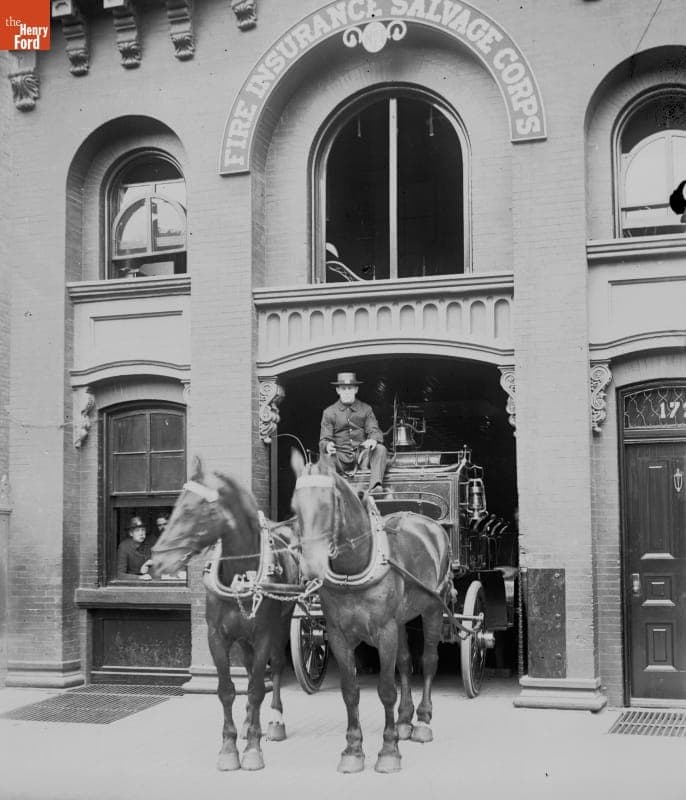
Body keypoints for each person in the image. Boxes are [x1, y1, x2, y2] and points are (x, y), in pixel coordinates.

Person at [319, 371, 387, 494]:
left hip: (361, 456)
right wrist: (328, 445)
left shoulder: (366, 409)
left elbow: (374, 430)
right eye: (343, 389)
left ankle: (375, 487)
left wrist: (373, 440)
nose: (347, 392)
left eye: (350, 388)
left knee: (380, 449)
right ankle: (331, 494)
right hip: (339, 456)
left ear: (356, 389)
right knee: (325, 460)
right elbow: (324, 439)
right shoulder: (329, 412)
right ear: (338, 390)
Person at [116, 515, 154, 580]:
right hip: (132, 583)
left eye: (143, 530)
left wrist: (151, 562)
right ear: (131, 533)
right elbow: (120, 575)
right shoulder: (124, 547)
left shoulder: (149, 543)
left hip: (149, 580)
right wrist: (139, 577)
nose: (141, 533)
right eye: (137, 530)